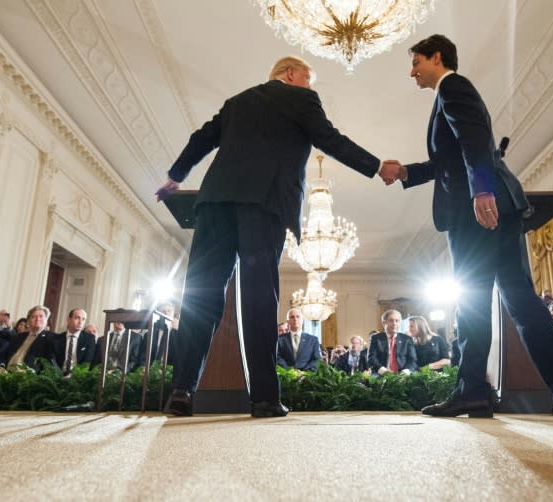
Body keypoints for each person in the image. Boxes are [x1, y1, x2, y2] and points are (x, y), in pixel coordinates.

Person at [156, 56, 401, 418]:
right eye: (307, 77)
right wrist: (378, 166)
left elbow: (201, 139)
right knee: (259, 298)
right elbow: (330, 140)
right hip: (263, 203)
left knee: (201, 295)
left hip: (214, 203)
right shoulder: (302, 99)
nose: (309, 84)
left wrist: (176, 176)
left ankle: (181, 391)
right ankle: (265, 398)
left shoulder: (238, 101)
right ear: (289, 74)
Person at [383, 34, 553, 417]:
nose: (412, 73)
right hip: (492, 209)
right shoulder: (448, 95)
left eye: (416, 63)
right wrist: (407, 171)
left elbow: (475, 141)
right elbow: (452, 158)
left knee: (473, 301)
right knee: (519, 299)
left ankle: (473, 390)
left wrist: (482, 192)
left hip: (477, 212)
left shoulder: (452, 87)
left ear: (437, 57)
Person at [368, 310, 417, 376]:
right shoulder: (376, 338)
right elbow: (372, 358)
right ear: (384, 323)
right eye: (391, 320)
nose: (394, 323)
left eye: (397, 321)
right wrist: (384, 371)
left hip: (403, 376)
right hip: (381, 375)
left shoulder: (407, 339)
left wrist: (405, 372)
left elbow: (412, 360)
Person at [7, 305, 56, 371]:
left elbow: (48, 363)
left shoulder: (51, 338)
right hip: (6, 372)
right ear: (28, 321)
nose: (37, 319)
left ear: (46, 320)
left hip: (28, 376)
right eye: (33, 317)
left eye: (41, 316)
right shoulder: (18, 337)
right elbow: (6, 355)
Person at [53, 308, 96, 375]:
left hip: (78, 377)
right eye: (77, 318)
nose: (80, 322)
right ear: (68, 319)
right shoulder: (57, 338)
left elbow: (87, 361)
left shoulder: (89, 339)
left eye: (83, 319)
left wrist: (76, 376)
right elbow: (53, 360)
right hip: (58, 375)